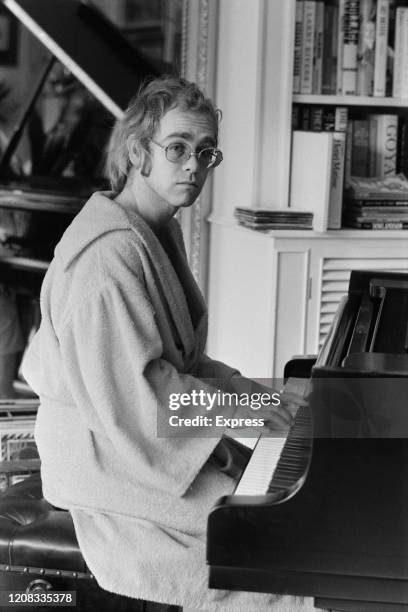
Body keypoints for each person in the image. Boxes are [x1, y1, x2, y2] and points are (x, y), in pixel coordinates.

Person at [22, 76, 316, 611]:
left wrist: (262, 401)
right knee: (264, 556)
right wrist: (249, 413)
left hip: (145, 435)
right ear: (139, 151)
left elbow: (185, 362)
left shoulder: (156, 230)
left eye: (206, 153)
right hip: (110, 458)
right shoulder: (105, 261)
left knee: (282, 509)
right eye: (178, 148)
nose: (194, 166)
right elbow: (138, 399)